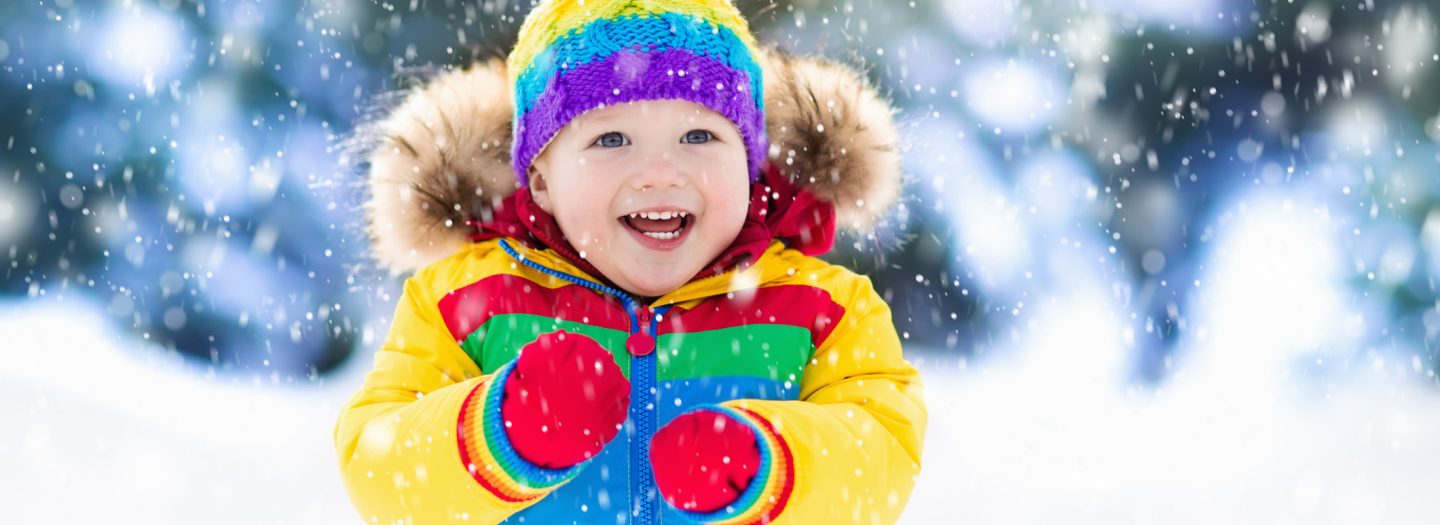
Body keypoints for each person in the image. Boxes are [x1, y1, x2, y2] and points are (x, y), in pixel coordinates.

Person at [334, 0, 925, 523]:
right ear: (540, 181)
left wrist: (770, 465)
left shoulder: (821, 309)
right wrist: (499, 435)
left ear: (747, 164)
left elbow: (880, 457)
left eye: (698, 137)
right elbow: (379, 467)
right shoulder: (467, 301)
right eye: (611, 140)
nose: (660, 173)